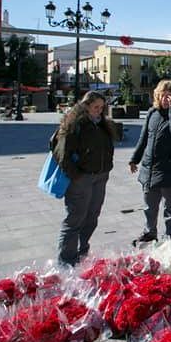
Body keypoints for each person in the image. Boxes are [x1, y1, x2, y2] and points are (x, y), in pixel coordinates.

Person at [51, 91, 118, 266]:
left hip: (100, 177)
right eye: (96, 107)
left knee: (92, 217)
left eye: (102, 108)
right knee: (75, 219)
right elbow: (62, 153)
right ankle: (66, 260)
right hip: (81, 179)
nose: (99, 110)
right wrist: (76, 175)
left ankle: (82, 252)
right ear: (86, 106)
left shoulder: (101, 124)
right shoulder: (75, 124)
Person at [129, 80, 171, 245]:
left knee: (170, 208)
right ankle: (150, 233)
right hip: (150, 169)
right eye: (162, 95)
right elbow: (143, 138)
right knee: (149, 207)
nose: (165, 99)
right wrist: (134, 159)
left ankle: (170, 239)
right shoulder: (152, 113)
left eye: (169, 96)